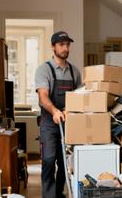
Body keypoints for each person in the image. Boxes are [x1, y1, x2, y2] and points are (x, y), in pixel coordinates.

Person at [34, 31, 82, 198]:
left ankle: (58, 194)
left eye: (67, 44)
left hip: (68, 123)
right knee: (48, 161)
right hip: (49, 123)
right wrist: (54, 111)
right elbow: (43, 96)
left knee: (64, 164)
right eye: (61, 44)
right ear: (53, 47)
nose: (65, 48)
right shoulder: (44, 69)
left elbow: (79, 97)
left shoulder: (74, 72)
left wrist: (71, 109)